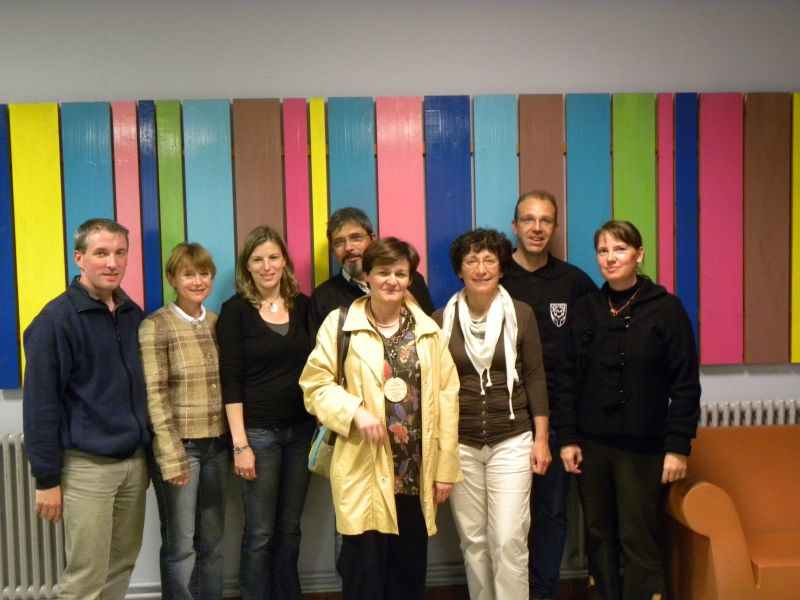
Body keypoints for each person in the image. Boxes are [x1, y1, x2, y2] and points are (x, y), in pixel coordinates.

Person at [300, 237, 461, 600]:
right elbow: (314, 385)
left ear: (410, 279)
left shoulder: (428, 332)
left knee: (408, 578)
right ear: (367, 276)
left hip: (414, 474)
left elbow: (448, 399)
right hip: (363, 469)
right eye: (383, 272)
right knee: (363, 576)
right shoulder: (340, 324)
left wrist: (446, 469)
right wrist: (354, 411)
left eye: (400, 273)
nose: (392, 280)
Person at [554, 220, 701, 600]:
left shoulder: (666, 310)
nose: (610, 258)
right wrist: (567, 438)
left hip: (643, 448)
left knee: (638, 535)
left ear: (639, 255)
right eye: (603, 251)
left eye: (620, 249)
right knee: (598, 534)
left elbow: (685, 384)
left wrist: (678, 446)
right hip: (591, 445)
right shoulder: (585, 309)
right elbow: (566, 378)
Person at [22, 218, 151, 599]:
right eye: (101, 253)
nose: (112, 262)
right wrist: (46, 479)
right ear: (79, 258)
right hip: (86, 468)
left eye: (120, 253)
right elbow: (40, 406)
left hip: (133, 463)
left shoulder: (131, 313)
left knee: (121, 565)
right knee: (86, 576)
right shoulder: (55, 321)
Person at [433, 228, 550, 600]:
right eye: (472, 261)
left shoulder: (521, 314)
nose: (481, 268)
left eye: (489, 260)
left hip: (512, 439)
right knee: (474, 541)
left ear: (501, 268)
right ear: (459, 270)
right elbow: (434, 387)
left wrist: (542, 440)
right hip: (460, 444)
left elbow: (535, 376)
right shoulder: (440, 320)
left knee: (508, 539)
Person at [501, 190, 597, 600]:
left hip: (557, 421)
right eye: (528, 219)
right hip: (504, 420)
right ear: (515, 226)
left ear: (555, 227)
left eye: (545, 220)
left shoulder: (574, 282)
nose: (536, 228)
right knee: (506, 522)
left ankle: (542, 594)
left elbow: (597, 341)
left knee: (551, 514)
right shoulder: (495, 276)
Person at [216, 226, 314, 600]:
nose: (267, 266)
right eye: (257, 259)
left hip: (301, 433)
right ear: (247, 266)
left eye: (273, 257)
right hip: (257, 436)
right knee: (260, 532)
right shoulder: (235, 311)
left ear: (284, 261)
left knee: (290, 528)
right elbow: (231, 380)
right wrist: (240, 444)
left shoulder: (304, 306)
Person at [139, 242, 229, 599]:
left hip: (218, 446)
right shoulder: (156, 325)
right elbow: (155, 394)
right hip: (182, 449)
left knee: (213, 542)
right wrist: (171, 455)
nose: (197, 281)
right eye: (188, 274)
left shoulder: (217, 322)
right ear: (172, 278)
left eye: (204, 273)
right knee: (180, 545)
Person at [307, 207, 434, 338]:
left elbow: (433, 336)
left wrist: (412, 304)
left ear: (372, 240)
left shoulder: (411, 281)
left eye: (356, 238)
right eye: (339, 242)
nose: (348, 247)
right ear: (333, 250)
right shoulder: (322, 298)